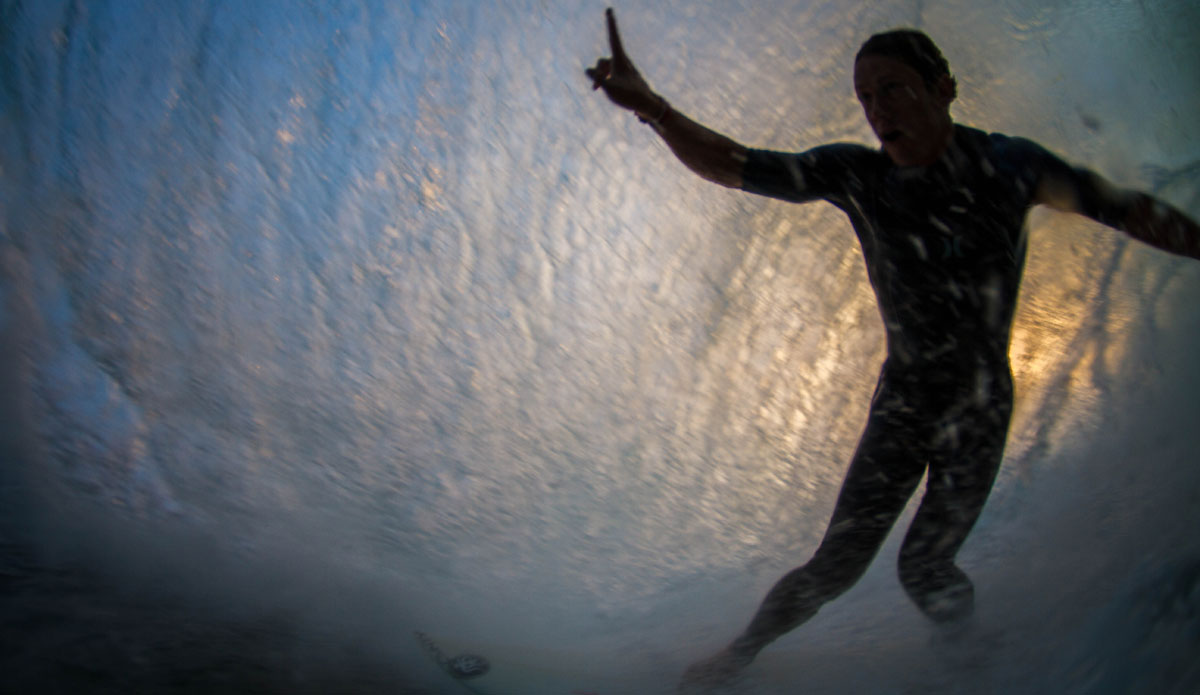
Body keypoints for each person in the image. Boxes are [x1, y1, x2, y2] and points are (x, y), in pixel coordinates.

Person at [585, 7, 1200, 691]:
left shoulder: (1009, 166)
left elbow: (1124, 207)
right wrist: (655, 111)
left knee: (925, 568)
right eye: (866, 97)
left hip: (980, 403)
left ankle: (972, 660)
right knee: (835, 566)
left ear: (943, 89)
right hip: (905, 397)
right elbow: (735, 165)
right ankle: (737, 657)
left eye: (893, 88)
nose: (877, 110)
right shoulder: (858, 175)